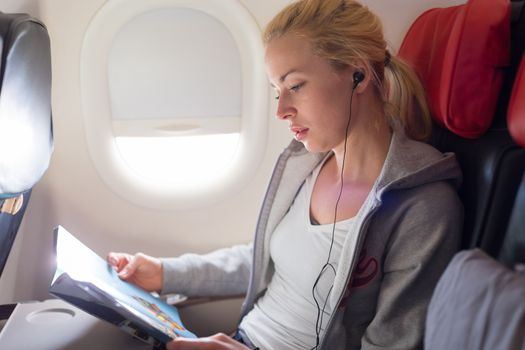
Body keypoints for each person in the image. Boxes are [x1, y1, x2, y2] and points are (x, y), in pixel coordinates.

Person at [108, 0, 463, 349]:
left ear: (357, 75)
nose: (280, 110)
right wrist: (164, 273)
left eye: (295, 86)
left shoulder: (422, 205)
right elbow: (267, 259)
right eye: (276, 91)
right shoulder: (310, 165)